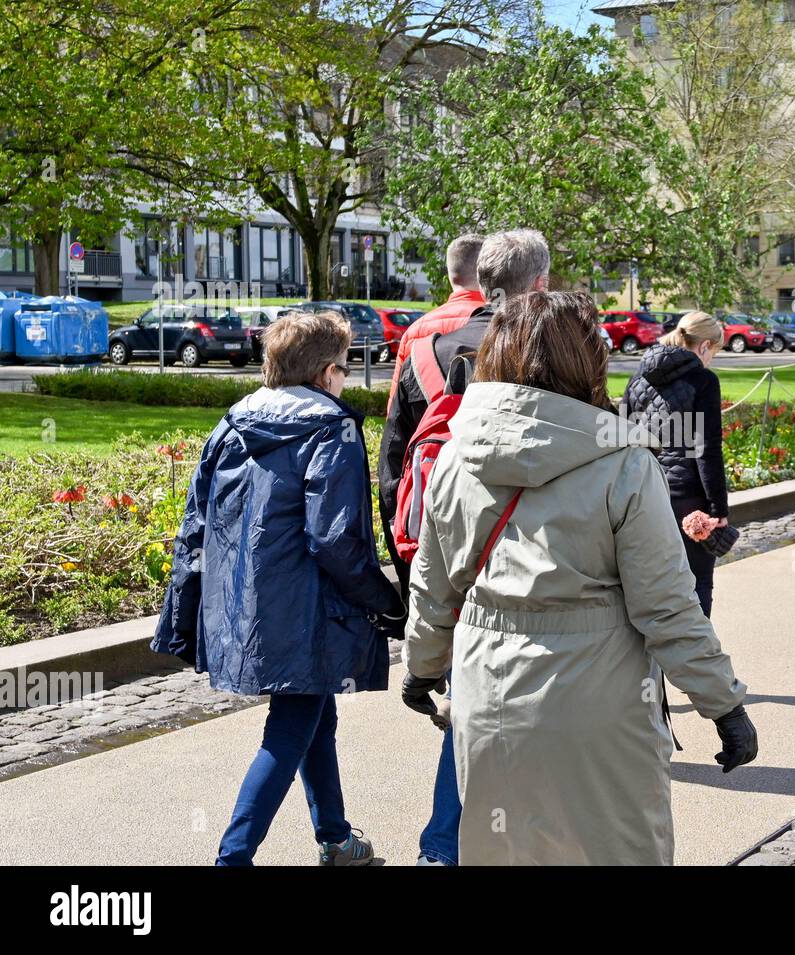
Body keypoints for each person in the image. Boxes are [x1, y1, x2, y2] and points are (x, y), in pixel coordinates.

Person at [403, 290, 756, 864]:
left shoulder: (453, 455)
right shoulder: (622, 462)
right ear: (585, 360)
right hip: (598, 701)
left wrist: (420, 668)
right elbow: (666, 605)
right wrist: (724, 704)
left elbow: (433, 584)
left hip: (487, 693)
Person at [151, 310, 403, 865]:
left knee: (315, 712)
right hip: (306, 606)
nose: (344, 376)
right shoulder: (330, 428)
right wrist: (385, 601)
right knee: (291, 725)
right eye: (343, 365)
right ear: (324, 374)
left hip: (244, 601)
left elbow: (195, 525)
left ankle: (335, 837)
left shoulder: (232, 421)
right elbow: (333, 538)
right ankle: (233, 857)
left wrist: (186, 607)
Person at [379, 228, 551, 867]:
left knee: (466, 704)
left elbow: (396, 453)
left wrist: (406, 562)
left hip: (440, 541)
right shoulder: (547, 342)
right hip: (528, 549)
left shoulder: (420, 337)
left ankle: (443, 848)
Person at [620, 312, 728, 616]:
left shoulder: (637, 378)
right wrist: (718, 509)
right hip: (689, 500)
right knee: (696, 585)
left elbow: (622, 437)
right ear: (704, 346)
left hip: (645, 494)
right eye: (715, 353)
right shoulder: (703, 381)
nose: (712, 360)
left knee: (651, 583)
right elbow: (707, 448)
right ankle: (694, 658)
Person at [385, 233, 486, 410]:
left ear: (449, 274)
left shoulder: (415, 331)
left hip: (427, 433)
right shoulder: (502, 325)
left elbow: (395, 408)